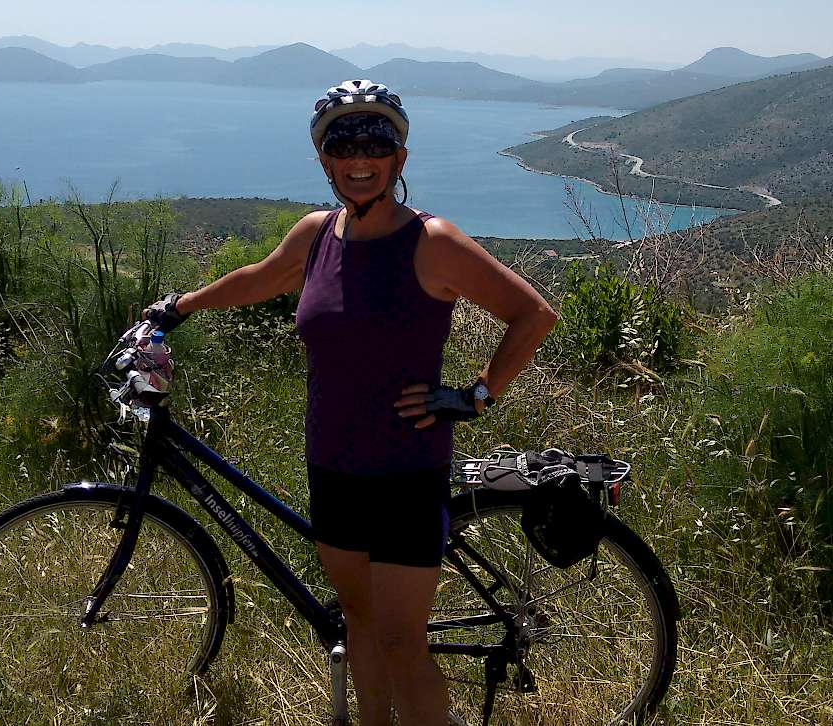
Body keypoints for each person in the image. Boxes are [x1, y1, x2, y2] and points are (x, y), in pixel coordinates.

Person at [144, 79, 557, 726]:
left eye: (376, 142)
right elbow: (260, 279)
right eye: (343, 144)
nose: (359, 157)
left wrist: (475, 395)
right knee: (361, 625)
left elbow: (531, 314)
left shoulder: (433, 242)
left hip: (405, 472)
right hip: (332, 465)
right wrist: (180, 307)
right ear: (324, 161)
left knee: (400, 640)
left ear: (400, 158)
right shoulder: (317, 236)